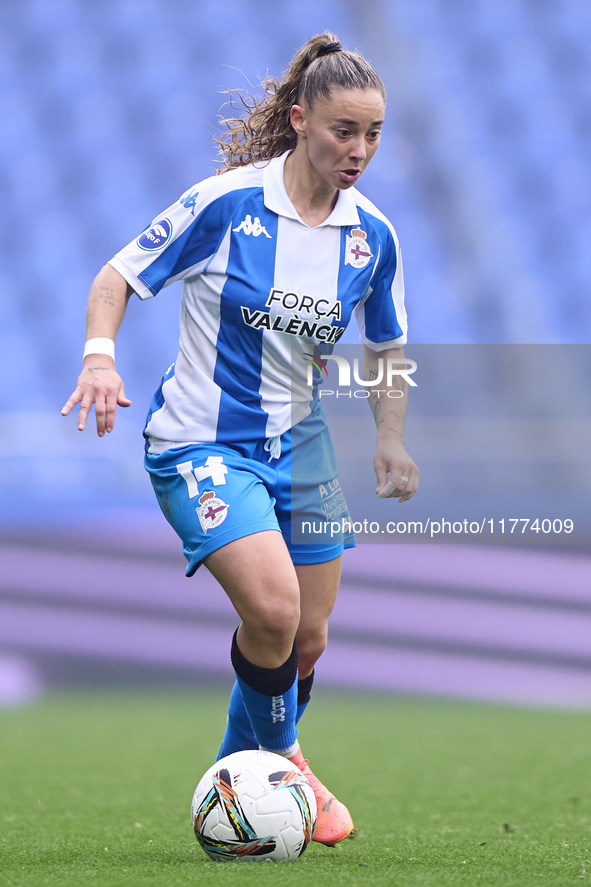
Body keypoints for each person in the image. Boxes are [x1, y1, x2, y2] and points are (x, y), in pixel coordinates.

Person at [62, 31, 418, 846]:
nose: (359, 150)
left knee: (309, 637)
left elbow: (387, 346)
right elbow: (117, 275)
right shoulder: (225, 203)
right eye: (342, 131)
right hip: (201, 442)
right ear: (299, 119)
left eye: (372, 135)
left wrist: (390, 439)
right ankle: (287, 759)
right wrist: (99, 358)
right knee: (272, 609)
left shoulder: (372, 237)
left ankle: (236, 773)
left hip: (303, 442)